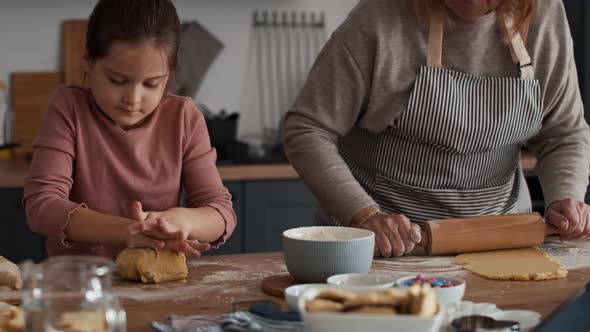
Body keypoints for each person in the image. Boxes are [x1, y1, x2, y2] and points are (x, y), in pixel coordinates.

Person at [284, 0, 590, 258]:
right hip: (388, 248)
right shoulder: (381, 16)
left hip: (501, 241)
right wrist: (364, 214)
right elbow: (307, 129)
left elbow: (565, 132)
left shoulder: (541, 11)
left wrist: (566, 196)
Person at [23, 0, 236, 259]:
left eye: (151, 84)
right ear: (88, 60)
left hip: (160, 287)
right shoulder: (69, 108)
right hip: (81, 283)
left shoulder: (184, 117)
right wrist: (130, 231)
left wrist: (185, 221)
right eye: (117, 80)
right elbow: (42, 205)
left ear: (168, 74)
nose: (133, 98)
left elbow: (221, 212)